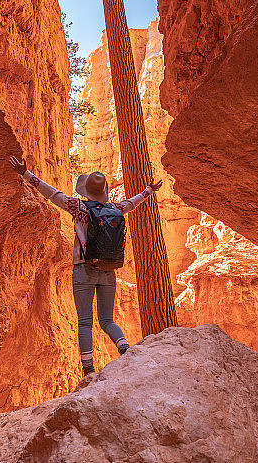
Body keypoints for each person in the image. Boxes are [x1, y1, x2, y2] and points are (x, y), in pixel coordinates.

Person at [8, 155, 163, 376]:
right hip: (108, 270)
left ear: (86, 191)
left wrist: (25, 173)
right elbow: (133, 202)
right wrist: (149, 190)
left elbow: (51, 193)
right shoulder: (115, 208)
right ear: (103, 191)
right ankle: (125, 349)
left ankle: (88, 369)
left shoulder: (78, 206)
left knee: (84, 323)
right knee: (107, 320)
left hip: (84, 269)